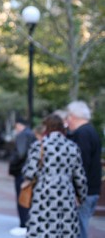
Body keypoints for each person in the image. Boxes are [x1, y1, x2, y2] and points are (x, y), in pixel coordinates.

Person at [22, 113, 87, 238]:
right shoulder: (72, 147)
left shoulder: (39, 146)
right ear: (62, 128)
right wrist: (81, 196)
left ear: (46, 127)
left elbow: (29, 173)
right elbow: (80, 177)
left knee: (42, 231)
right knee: (64, 231)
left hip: (43, 195)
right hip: (65, 194)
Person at [65, 100, 102, 238]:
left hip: (85, 190)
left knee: (80, 226)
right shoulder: (90, 131)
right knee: (82, 223)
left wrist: (77, 192)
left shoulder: (82, 134)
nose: (67, 121)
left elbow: (81, 165)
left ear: (72, 117)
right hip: (91, 188)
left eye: (68, 116)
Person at [8, 117, 36, 236]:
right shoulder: (31, 134)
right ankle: (26, 222)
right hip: (28, 170)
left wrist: (13, 164)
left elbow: (20, 153)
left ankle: (23, 224)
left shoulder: (22, 135)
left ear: (19, 125)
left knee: (22, 198)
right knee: (27, 198)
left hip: (21, 171)